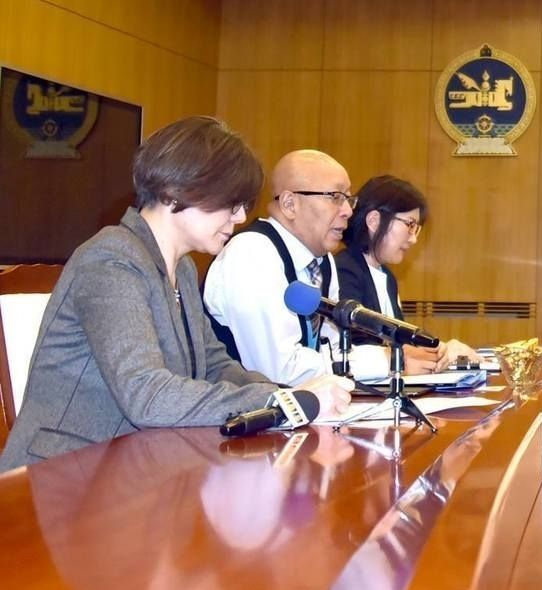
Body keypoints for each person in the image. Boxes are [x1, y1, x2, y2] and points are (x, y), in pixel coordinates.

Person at [0, 117, 352, 469]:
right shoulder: (111, 259)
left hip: (134, 465)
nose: (240, 217)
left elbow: (214, 364)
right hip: (61, 473)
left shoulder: (182, 268)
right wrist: (281, 402)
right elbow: (147, 395)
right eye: (231, 203)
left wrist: (285, 396)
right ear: (174, 191)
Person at [204, 149, 384, 385]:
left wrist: (392, 357)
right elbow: (278, 370)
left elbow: (333, 349)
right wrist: (383, 361)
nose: (348, 211)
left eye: (349, 199)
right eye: (335, 197)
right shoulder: (252, 252)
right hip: (243, 405)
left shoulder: (323, 261)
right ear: (290, 204)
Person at [333, 175, 481, 372]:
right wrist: (439, 352)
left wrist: (444, 352)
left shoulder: (387, 278)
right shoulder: (344, 270)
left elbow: (402, 345)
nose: (413, 240)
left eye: (416, 229)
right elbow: (355, 348)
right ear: (374, 221)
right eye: (410, 225)